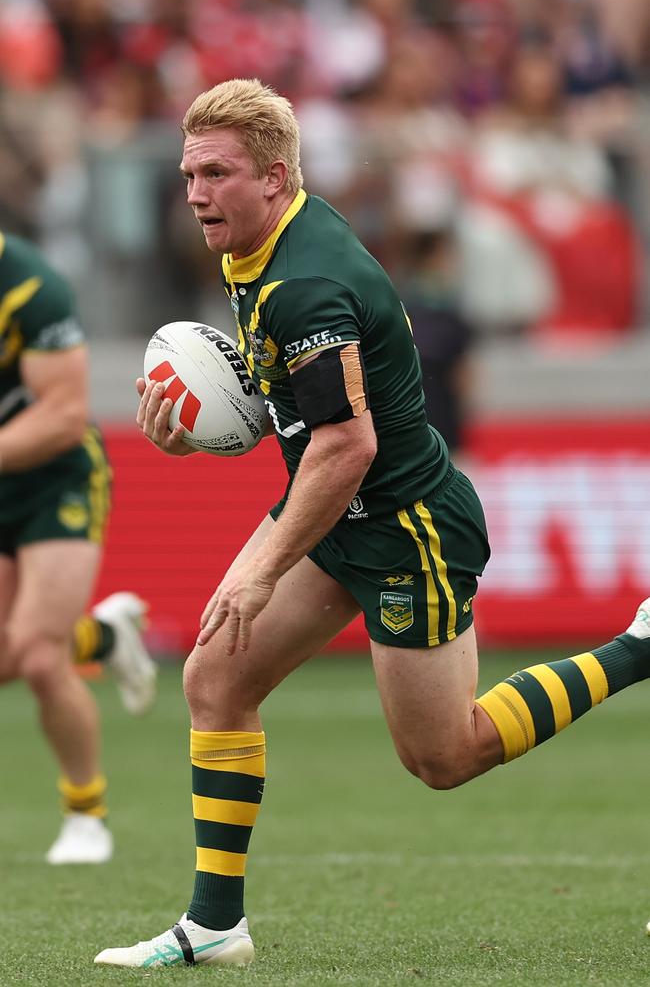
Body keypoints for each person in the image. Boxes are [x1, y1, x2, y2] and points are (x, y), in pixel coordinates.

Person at [95, 78, 650, 969]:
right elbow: (309, 422)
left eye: (216, 173)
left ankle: (639, 647)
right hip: (340, 513)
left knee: (444, 755)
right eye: (188, 171)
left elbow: (347, 445)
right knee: (215, 678)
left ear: (275, 178)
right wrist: (208, 440)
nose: (195, 192)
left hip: (405, 528)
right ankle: (215, 925)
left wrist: (263, 564)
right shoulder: (261, 247)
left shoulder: (303, 282)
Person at [0, 229, 158, 865]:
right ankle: (105, 637)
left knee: (39, 656)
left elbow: (64, 414)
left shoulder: (31, 286)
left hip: (55, 476)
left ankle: (86, 815)